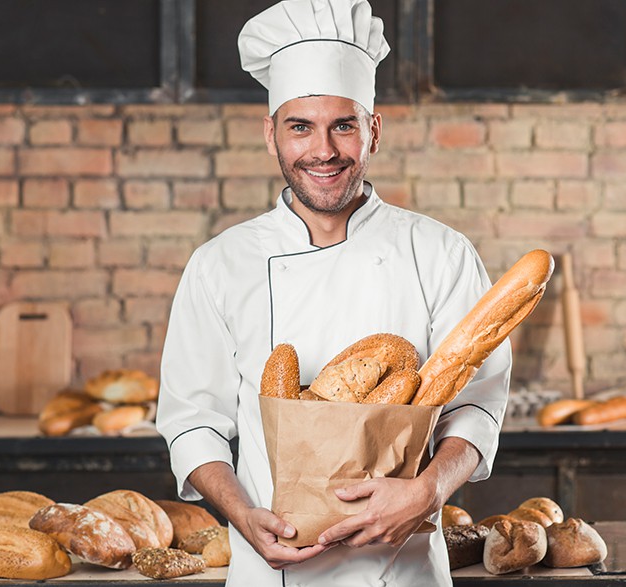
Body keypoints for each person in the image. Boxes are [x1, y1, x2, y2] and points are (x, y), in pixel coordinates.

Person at [155, 0, 511, 585]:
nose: (323, 150)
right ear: (271, 135)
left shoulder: (441, 253)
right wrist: (241, 514)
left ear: (373, 129)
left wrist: (428, 491)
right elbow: (192, 420)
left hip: (404, 572)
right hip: (269, 572)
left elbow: (478, 403)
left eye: (343, 125)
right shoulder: (220, 265)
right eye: (301, 127)